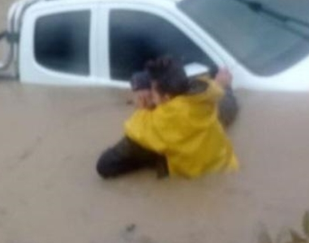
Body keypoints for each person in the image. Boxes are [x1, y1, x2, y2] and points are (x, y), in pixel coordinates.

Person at [96, 57, 239, 179]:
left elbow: (105, 166)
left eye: (153, 91)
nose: (151, 94)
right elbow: (230, 106)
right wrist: (224, 86)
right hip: (226, 169)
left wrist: (144, 110)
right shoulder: (206, 103)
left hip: (187, 186)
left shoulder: (157, 125)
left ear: (165, 97)